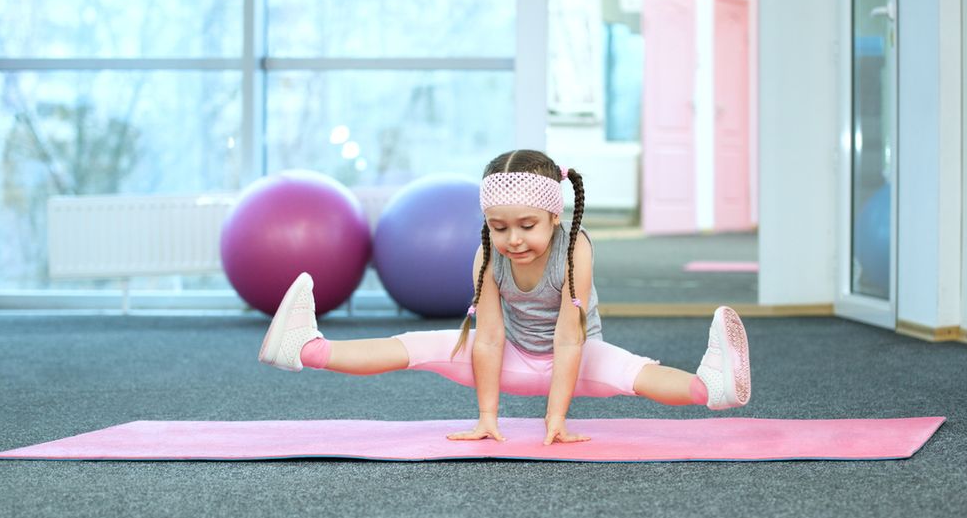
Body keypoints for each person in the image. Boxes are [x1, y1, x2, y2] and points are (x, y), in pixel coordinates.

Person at [258, 149, 751, 446]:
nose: (513, 239)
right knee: (417, 345)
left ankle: (710, 389)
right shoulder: (488, 256)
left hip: (574, 359)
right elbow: (489, 340)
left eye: (527, 226)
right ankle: (306, 350)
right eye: (499, 226)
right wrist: (487, 420)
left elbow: (569, 340)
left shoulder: (574, 248)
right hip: (510, 356)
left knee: (635, 372)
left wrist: (554, 420)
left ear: (555, 217)